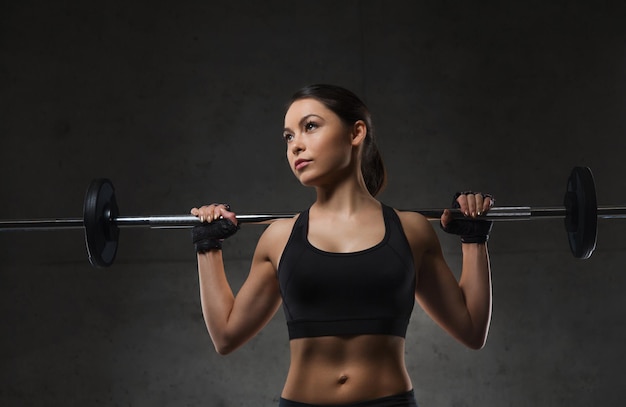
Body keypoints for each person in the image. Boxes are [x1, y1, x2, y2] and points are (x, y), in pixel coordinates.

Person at [190, 84, 493, 406]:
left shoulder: (411, 231)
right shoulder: (280, 237)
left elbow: (472, 331)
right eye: (288, 136)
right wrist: (208, 244)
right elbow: (225, 337)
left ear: (356, 132)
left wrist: (473, 237)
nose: (296, 146)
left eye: (310, 126)